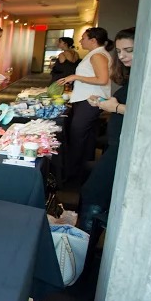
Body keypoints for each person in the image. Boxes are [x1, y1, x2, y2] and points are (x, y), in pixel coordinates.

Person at [80, 27, 134, 234]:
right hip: (117, 143)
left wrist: (116, 107)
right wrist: (105, 103)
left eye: (129, 50)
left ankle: (83, 244)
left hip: (124, 147)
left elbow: (146, 113)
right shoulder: (133, 76)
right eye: (119, 51)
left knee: (94, 192)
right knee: (95, 191)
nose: (122, 56)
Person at [60, 27, 113, 184]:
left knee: (77, 138)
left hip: (89, 102)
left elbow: (102, 79)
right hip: (88, 101)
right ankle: (82, 175)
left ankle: (72, 175)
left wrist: (76, 77)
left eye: (83, 38)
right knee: (87, 139)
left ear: (93, 40)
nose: (80, 41)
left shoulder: (97, 55)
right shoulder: (96, 54)